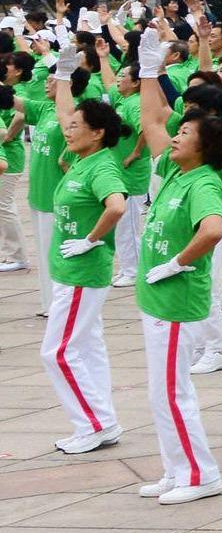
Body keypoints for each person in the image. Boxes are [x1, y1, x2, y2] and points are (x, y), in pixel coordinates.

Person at [128, 32, 222, 503]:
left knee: (173, 392)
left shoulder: (204, 183)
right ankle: (176, 468)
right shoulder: (176, 170)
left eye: (185, 133)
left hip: (176, 297)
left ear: (205, 146)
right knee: (159, 392)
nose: (175, 136)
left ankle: (201, 474)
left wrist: (175, 263)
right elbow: (152, 118)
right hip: (157, 298)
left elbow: (212, 231)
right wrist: (149, 70)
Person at [40, 57, 131, 455]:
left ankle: (90, 425)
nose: (68, 130)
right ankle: (104, 421)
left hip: (82, 271)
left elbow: (117, 206)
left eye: (76, 127)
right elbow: (64, 112)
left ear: (97, 134)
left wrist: (92, 239)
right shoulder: (83, 157)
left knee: (58, 352)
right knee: (88, 348)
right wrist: (62, 74)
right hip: (68, 269)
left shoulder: (101, 168)